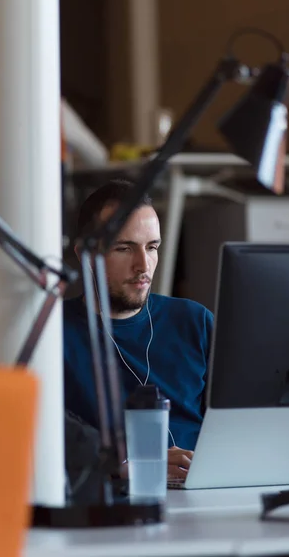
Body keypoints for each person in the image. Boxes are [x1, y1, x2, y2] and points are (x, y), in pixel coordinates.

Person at [63, 179, 213, 480]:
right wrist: (130, 468)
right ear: (85, 255)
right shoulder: (56, 334)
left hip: (204, 490)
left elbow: (236, 425)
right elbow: (41, 442)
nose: (143, 265)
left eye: (152, 247)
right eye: (124, 248)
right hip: (114, 498)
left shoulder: (195, 321)